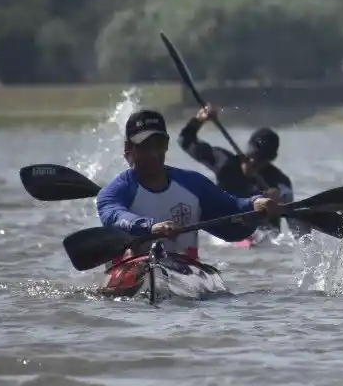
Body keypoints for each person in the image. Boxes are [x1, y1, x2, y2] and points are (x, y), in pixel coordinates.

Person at [97, 110, 284, 290]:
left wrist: (256, 203)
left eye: (158, 145)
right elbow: (115, 217)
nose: (153, 153)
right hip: (133, 267)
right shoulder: (113, 193)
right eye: (144, 146)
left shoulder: (193, 184)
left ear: (167, 145)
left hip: (184, 269)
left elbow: (232, 208)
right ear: (128, 148)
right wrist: (151, 226)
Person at [179, 103, 343, 239]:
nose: (253, 162)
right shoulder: (223, 161)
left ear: (271, 159)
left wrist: (278, 203)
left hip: (262, 235)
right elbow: (185, 141)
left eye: (260, 160)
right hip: (223, 228)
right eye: (251, 156)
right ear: (247, 150)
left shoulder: (280, 182)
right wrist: (198, 120)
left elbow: (293, 228)